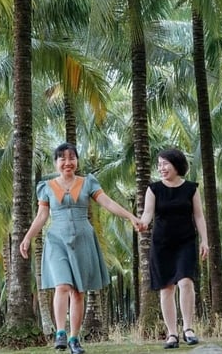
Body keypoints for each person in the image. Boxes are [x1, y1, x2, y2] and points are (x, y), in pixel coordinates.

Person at [19, 142, 142, 354]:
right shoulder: (46, 187)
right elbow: (41, 216)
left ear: (77, 161)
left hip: (83, 238)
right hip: (57, 239)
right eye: (62, 158)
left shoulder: (88, 183)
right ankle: (60, 333)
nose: (68, 162)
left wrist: (131, 216)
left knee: (78, 291)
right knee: (62, 285)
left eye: (72, 158)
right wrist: (27, 237)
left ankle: (74, 338)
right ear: (56, 162)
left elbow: (107, 203)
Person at [139, 148, 209, 349]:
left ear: (176, 165)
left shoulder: (191, 189)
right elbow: (147, 214)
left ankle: (188, 328)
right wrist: (142, 224)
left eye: (165, 163)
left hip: (186, 242)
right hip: (162, 245)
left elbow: (199, 216)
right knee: (166, 289)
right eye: (159, 164)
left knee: (186, 282)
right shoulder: (153, 189)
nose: (161, 168)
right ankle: (172, 334)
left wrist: (205, 240)